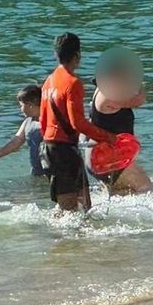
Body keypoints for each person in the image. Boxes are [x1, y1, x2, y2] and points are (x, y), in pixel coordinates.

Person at [40, 33, 115, 211]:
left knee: (80, 208)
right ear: (77, 56)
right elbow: (78, 124)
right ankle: (60, 239)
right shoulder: (73, 83)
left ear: (56, 55)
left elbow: (43, 121)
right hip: (64, 151)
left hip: (48, 149)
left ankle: (71, 239)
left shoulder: (48, 82)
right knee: (74, 210)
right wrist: (107, 137)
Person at [85, 68, 153, 195]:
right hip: (106, 158)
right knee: (147, 189)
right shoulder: (107, 95)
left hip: (102, 156)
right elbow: (139, 100)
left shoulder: (104, 92)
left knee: (123, 193)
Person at [0, 85, 47, 176]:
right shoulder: (27, 122)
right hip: (36, 169)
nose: (20, 109)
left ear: (30, 105)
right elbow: (15, 142)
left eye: (21, 106)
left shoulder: (49, 122)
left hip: (51, 169)